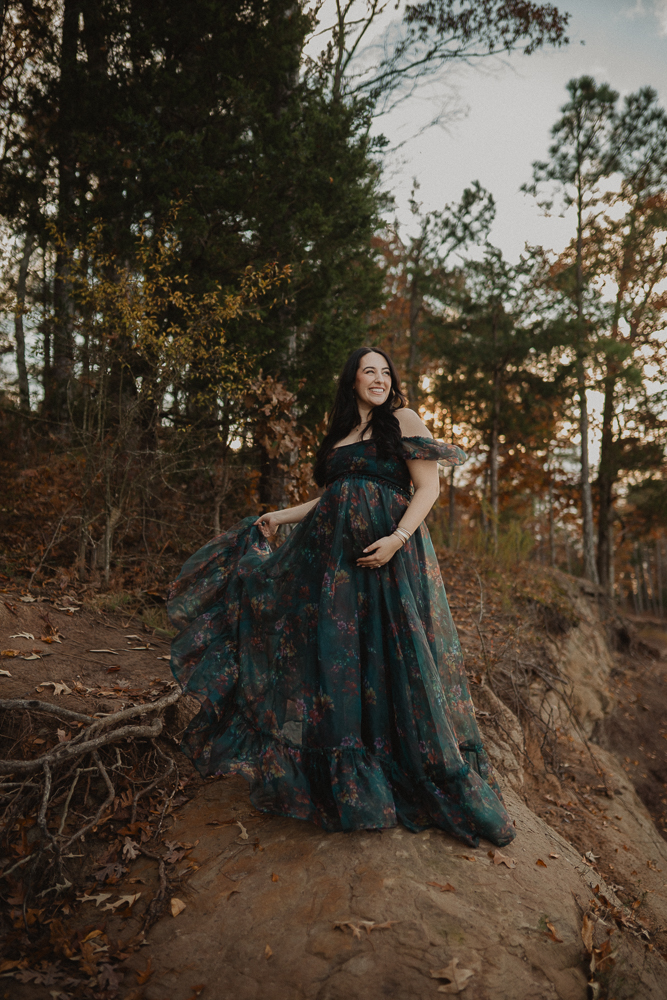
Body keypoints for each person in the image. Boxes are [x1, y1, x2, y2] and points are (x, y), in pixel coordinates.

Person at [168, 347, 514, 847]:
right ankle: (351, 775)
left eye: (385, 371)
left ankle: (405, 767)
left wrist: (397, 540)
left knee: (392, 657)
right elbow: (333, 498)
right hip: (332, 565)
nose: (378, 378)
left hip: (388, 557)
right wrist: (280, 517)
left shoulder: (403, 419)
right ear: (351, 380)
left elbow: (428, 488)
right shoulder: (342, 436)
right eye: (367, 371)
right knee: (337, 660)